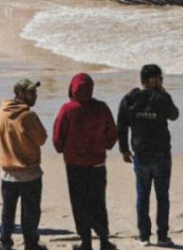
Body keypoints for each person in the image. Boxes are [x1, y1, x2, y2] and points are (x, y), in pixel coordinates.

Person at [53, 73, 119, 250]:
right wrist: (104, 146)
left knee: (79, 202)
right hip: (97, 164)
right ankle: (104, 240)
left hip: (74, 165)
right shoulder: (102, 108)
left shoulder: (67, 110)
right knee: (98, 202)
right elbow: (112, 135)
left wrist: (63, 150)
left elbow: (58, 138)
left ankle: (86, 242)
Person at [117, 64, 180, 247]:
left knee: (142, 195)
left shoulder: (129, 98)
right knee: (162, 196)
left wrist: (124, 150)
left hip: (141, 154)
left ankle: (144, 235)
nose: (162, 81)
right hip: (160, 155)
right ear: (152, 79)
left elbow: (121, 125)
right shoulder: (161, 98)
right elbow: (174, 114)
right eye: (160, 78)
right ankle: (162, 236)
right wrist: (163, 93)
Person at [0, 78, 48, 250]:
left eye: (35, 92)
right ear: (20, 94)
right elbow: (42, 139)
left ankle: (5, 242)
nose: (35, 96)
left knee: (8, 212)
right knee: (30, 213)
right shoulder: (28, 116)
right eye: (32, 92)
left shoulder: (2, 111)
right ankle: (31, 244)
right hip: (29, 172)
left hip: (8, 172)